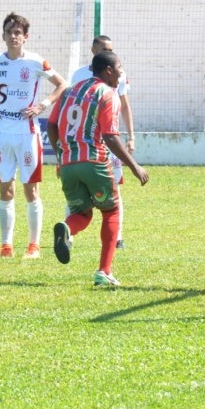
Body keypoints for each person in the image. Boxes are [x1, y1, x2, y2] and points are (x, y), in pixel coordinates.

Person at [47, 50, 148, 286]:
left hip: (69, 164)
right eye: (120, 69)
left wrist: (61, 156)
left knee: (82, 213)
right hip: (94, 161)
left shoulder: (70, 90)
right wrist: (134, 166)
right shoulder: (107, 94)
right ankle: (104, 271)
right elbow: (110, 136)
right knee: (111, 210)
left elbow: (52, 126)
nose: (122, 74)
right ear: (109, 71)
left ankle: (66, 228)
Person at [0, 12, 68, 259]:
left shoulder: (35, 62)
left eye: (18, 33)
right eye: (9, 32)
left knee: (31, 190)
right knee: (5, 189)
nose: (13, 37)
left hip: (27, 133)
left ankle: (34, 245)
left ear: (25, 37)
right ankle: (6, 244)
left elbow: (62, 84)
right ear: (3, 35)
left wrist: (42, 105)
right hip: (2, 133)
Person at [70, 35, 133, 249]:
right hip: (88, 139)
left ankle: (118, 237)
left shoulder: (118, 74)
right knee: (78, 192)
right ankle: (68, 234)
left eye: (111, 49)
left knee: (114, 188)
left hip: (111, 138)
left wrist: (131, 136)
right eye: (104, 49)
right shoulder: (79, 75)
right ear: (93, 49)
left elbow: (125, 105)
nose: (109, 52)